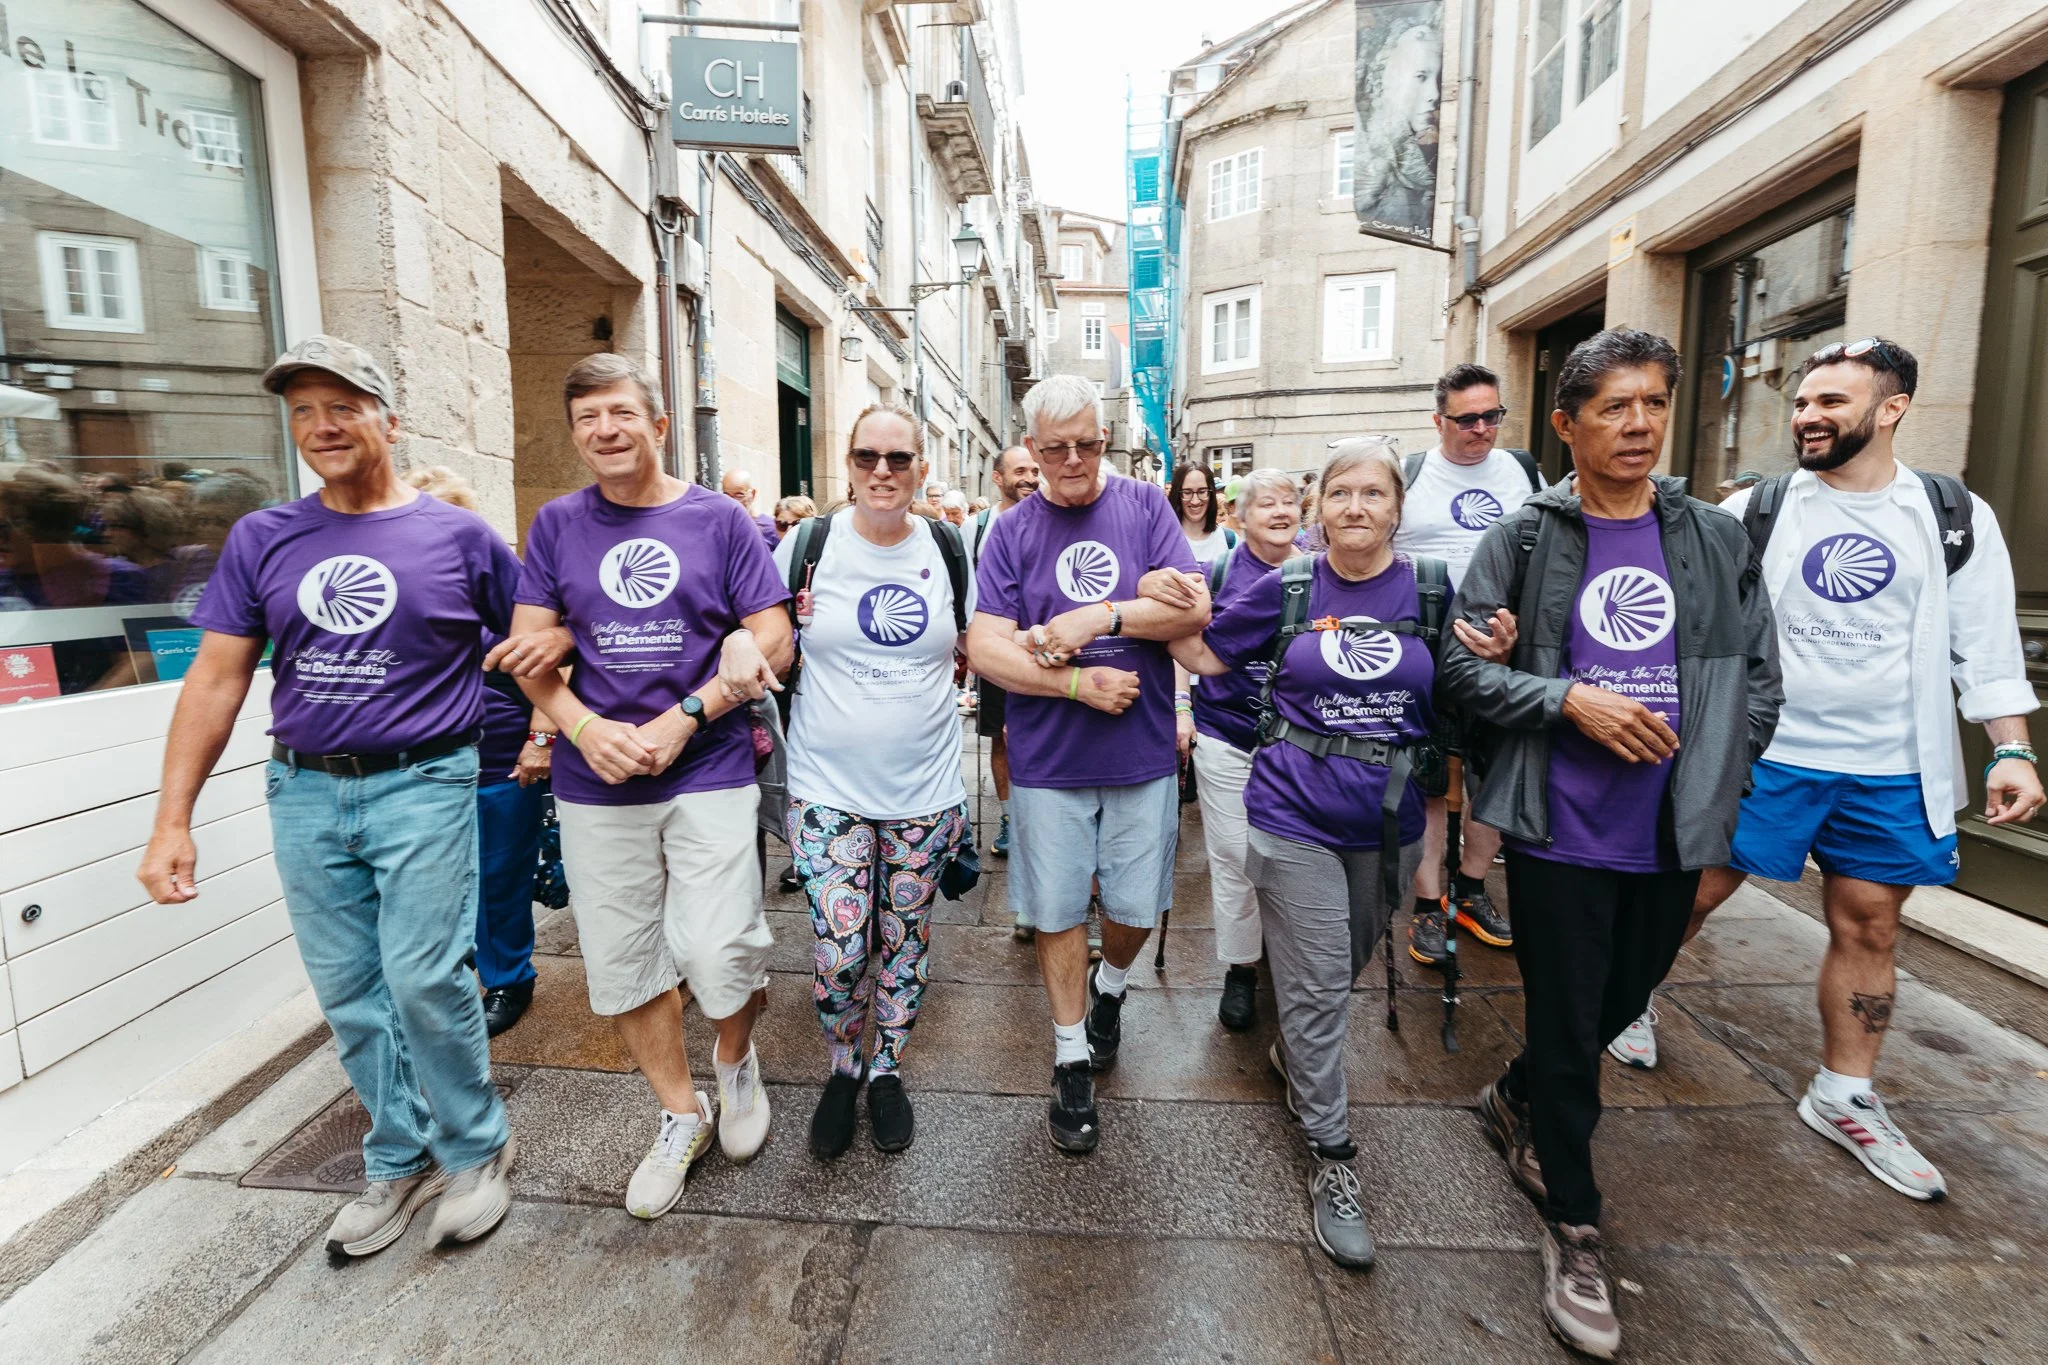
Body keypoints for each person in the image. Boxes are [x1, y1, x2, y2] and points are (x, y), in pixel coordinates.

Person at [1621, 338, 2042, 1199]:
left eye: (1831, 403)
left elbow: (1987, 643)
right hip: (1769, 751)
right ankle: (1629, 996)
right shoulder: (1758, 507)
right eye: (1803, 402)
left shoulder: (1954, 514)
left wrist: (2011, 746)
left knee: (1871, 926)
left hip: (1892, 763)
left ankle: (1844, 1092)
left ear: (1891, 409)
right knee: (1694, 890)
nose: (1808, 416)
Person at [137, 335, 524, 1258]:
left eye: (342, 405)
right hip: (305, 790)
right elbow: (218, 682)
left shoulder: (460, 535)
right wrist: (171, 820)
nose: (322, 426)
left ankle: (475, 1148)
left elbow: (535, 644)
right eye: (304, 410)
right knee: (350, 990)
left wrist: (578, 731)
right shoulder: (265, 537)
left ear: (389, 419)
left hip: (428, 779)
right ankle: (397, 1154)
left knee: (425, 977)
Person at [1442, 329, 1781, 1359]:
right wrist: (1565, 700)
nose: (1636, 424)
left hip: (1673, 826)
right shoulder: (1522, 538)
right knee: (1564, 1015)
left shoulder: (1713, 538)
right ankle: (1576, 1230)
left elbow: (1757, 675)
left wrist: (1721, 763)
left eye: (1650, 403)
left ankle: (1516, 1097)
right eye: (1612, 407)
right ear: (1566, 424)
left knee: (1622, 1001)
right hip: (1558, 828)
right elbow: (1456, 676)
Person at [497, 353, 793, 1220]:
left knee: (720, 946)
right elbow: (529, 655)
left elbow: (771, 635)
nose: (605, 430)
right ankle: (679, 1112)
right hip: (598, 782)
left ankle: (736, 1065)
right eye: (587, 418)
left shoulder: (721, 521)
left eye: (621, 412)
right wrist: (584, 729)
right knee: (625, 961)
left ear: (659, 426)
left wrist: (688, 713)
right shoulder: (555, 526)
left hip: (705, 764)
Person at [1172, 438, 1456, 1270]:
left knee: (1344, 963)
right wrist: (1154, 620)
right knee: (1321, 975)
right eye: (1341, 492)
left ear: (1398, 506)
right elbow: (1207, 652)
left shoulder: (1433, 590)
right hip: (1290, 811)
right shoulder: (1287, 585)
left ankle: (1296, 1049)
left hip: (1389, 821)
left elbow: (1463, 687)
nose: (1357, 507)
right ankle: (1333, 1156)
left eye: (1374, 492)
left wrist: (1501, 655)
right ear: (1318, 506)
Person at [965, 374, 1209, 1153]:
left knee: (1135, 910)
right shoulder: (1011, 531)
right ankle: (1071, 1052)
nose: (1073, 460)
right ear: (1032, 451)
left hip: (1139, 751)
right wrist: (1075, 681)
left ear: (1105, 439)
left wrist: (1094, 616)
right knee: (1061, 909)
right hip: (1047, 757)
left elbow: (1194, 607)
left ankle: (1111, 987)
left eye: (1088, 443)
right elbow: (986, 648)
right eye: (1056, 448)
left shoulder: (1143, 506)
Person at [772, 404, 973, 1158]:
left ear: (922, 465)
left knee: (905, 938)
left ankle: (885, 1068)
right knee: (841, 949)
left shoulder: (951, 547)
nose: (882, 471)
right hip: (827, 788)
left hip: (924, 792)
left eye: (899, 457)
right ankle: (841, 1062)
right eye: (866, 457)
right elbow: (762, 630)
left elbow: (984, 640)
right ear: (848, 465)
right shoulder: (809, 544)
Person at [1396, 363, 1542, 968]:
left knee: (1495, 777)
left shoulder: (1524, 473)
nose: (1482, 429)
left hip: (1503, 649)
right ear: (1439, 420)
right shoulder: (1412, 474)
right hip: (1427, 650)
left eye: (1492, 416)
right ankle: (1428, 905)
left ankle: (1473, 891)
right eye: (1467, 419)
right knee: (1431, 781)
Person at [405, 466, 557, 1037]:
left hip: (499, 765)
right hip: (419, 770)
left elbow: (553, 670)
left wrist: (539, 743)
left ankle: (508, 977)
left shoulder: (506, 607)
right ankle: (447, 972)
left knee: (498, 879)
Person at [1174, 468, 1302, 1030]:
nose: (1279, 512)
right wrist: (1181, 711)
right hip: (1227, 734)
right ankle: (1242, 969)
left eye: (1289, 502)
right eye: (1266, 504)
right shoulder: (1219, 572)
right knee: (1232, 857)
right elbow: (1184, 646)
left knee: (1297, 859)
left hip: (1302, 746)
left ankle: (1289, 956)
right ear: (1239, 518)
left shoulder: (1323, 573)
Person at [970, 445, 1041, 881]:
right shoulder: (979, 526)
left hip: (1043, 646)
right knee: (1001, 736)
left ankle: (1044, 816)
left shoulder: (1051, 516)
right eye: (1020, 471)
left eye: (1035, 470)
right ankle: (1011, 818)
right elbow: (965, 590)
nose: (1031, 478)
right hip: (998, 646)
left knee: (1040, 731)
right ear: (998, 478)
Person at [1168, 462, 1235, 564]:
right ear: (1177, 495)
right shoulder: (1162, 541)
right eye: (1187, 493)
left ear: (1211, 493)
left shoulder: (1230, 541)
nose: (1195, 501)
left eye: (1202, 492)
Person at [722, 467, 781, 550]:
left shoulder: (771, 528)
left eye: (739, 495)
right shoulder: (720, 527)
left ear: (752, 494)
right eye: (726, 496)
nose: (733, 502)